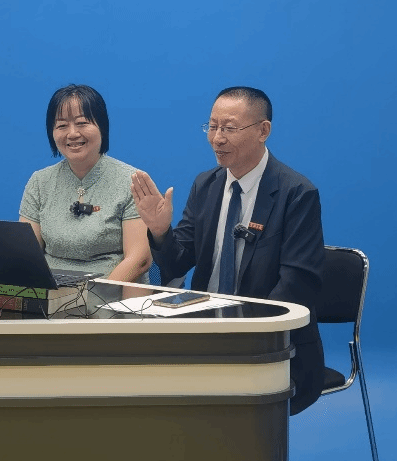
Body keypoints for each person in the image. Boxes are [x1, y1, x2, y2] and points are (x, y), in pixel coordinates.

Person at [130, 86, 325, 414]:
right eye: (212, 126)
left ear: (263, 130)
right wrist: (160, 230)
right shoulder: (205, 185)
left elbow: (298, 284)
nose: (217, 138)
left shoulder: (296, 193)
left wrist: (244, 333)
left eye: (229, 128)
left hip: (268, 343)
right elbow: (178, 262)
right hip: (202, 332)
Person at [19, 84, 151, 282]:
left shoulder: (132, 181)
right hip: (52, 293)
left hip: (110, 292)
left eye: (82, 123)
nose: (72, 133)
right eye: (62, 126)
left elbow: (139, 259)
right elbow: (27, 255)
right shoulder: (39, 182)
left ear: (102, 127)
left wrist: (94, 292)